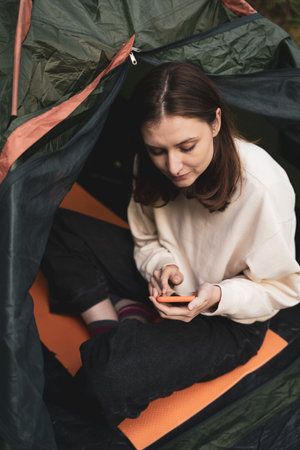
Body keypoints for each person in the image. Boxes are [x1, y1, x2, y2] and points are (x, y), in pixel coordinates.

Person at [41, 62, 300, 426]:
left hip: (226, 320)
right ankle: (109, 324)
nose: (174, 166)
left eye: (187, 146)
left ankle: (125, 329)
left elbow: (282, 290)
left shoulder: (262, 187)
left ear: (215, 122)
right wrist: (161, 267)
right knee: (49, 223)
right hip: (169, 288)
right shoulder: (151, 163)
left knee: (106, 377)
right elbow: (145, 237)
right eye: (158, 150)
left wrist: (218, 296)